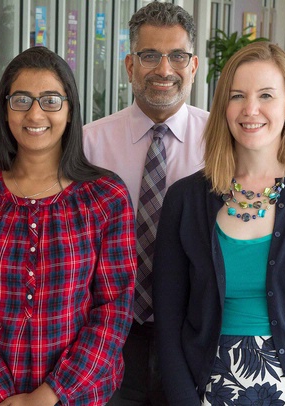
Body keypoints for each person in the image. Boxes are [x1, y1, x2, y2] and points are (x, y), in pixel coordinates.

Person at [152, 42, 285, 405]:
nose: (250, 109)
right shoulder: (184, 199)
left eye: (266, 95)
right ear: (223, 107)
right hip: (202, 387)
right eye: (237, 96)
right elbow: (168, 319)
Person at [0, 46, 136, 406]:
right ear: (4, 109)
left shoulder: (105, 197)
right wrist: (3, 397)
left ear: (70, 108)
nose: (34, 113)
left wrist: (48, 396)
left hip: (78, 395)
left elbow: (114, 309)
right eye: (21, 100)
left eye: (50, 100)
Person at [82, 2, 208, 404]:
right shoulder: (87, 145)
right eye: (150, 55)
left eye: (177, 56)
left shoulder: (223, 143)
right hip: (105, 332)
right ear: (129, 65)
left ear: (194, 65)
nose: (164, 70)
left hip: (194, 330)